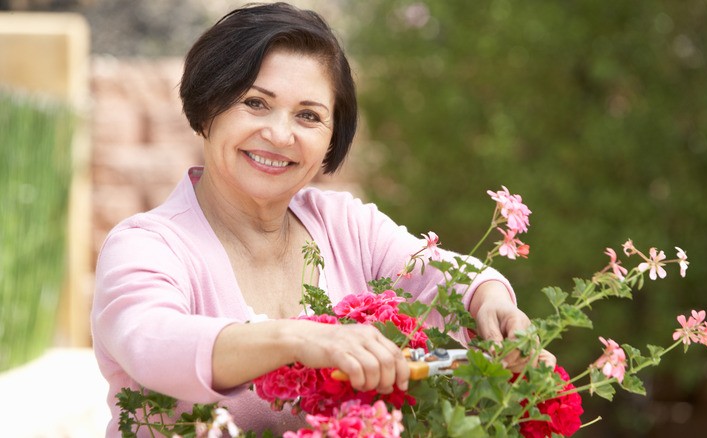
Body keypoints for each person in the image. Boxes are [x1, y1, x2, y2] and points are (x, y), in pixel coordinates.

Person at [91, 2, 551, 436]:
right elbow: (151, 343)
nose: (279, 135)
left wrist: (491, 301)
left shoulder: (344, 223)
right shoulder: (146, 245)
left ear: (333, 137)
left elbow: (445, 274)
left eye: (308, 115)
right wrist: (298, 340)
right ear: (205, 109)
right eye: (255, 103)